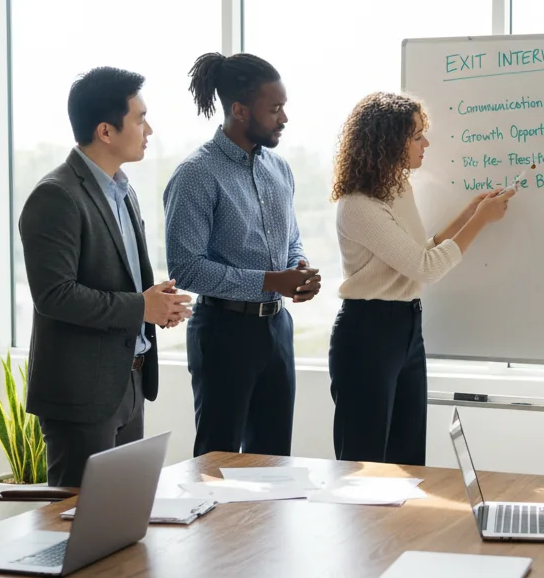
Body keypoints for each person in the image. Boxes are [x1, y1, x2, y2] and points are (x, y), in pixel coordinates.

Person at [19, 66, 192, 487]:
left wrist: (157, 305)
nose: (149, 130)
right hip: (81, 395)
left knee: (124, 518)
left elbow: (119, 282)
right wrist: (140, 307)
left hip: (130, 382)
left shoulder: (124, 191)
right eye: (140, 118)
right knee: (77, 521)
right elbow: (55, 295)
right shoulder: (55, 195)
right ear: (105, 131)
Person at [329, 92, 514, 465]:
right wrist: (480, 221)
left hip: (406, 328)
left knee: (409, 459)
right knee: (362, 462)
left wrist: (468, 214)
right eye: (416, 136)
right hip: (367, 332)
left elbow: (417, 253)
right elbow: (426, 267)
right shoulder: (358, 205)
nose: (425, 143)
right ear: (389, 141)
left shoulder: (398, 190)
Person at [164, 52, 321, 458]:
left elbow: (291, 239)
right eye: (275, 109)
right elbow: (186, 268)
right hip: (223, 333)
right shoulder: (196, 174)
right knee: (217, 461)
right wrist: (271, 281)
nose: (284, 118)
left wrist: (298, 268)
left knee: (274, 460)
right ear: (239, 110)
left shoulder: (280, 169)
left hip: (277, 330)